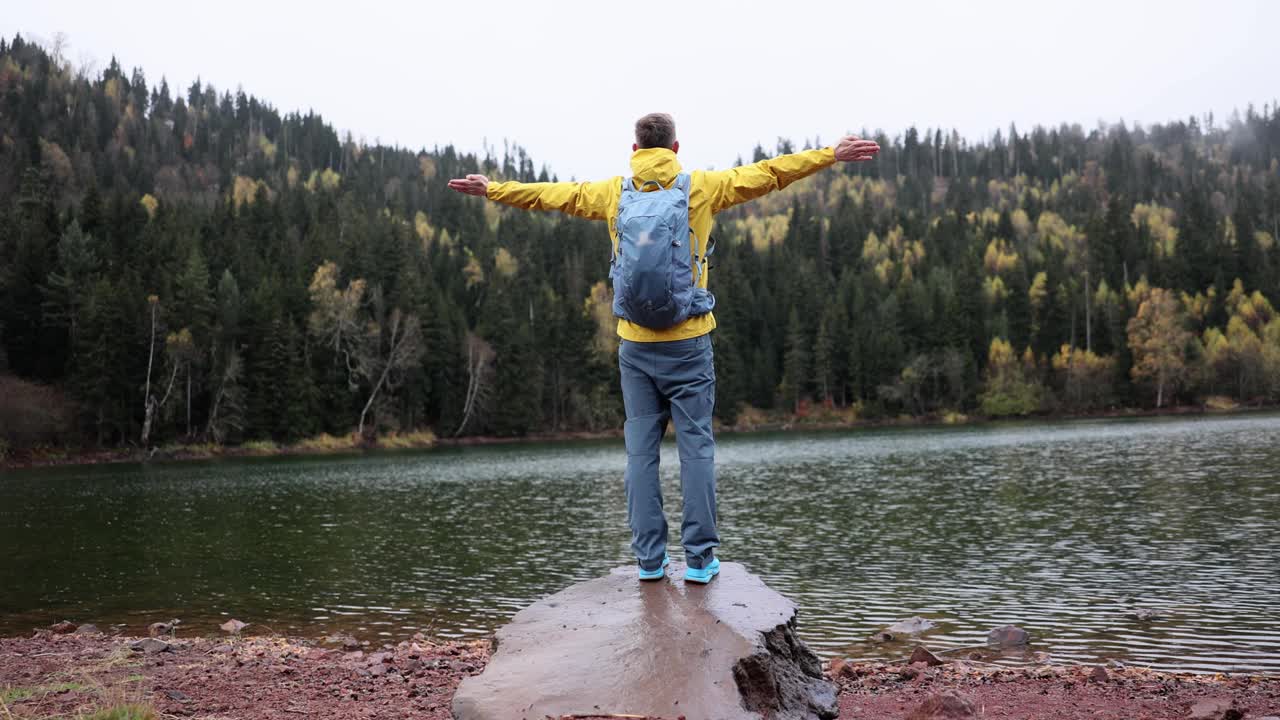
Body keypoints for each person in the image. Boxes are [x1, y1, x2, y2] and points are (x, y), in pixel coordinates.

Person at [448, 113, 879, 583]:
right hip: (690, 341)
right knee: (696, 448)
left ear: (635, 149)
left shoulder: (612, 193)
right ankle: (699, 561)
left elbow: (553, 195)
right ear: (675, 148)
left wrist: (494, 189)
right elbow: (772, 171)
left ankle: (650, 562)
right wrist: (830, 156)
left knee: (640, 453)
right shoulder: (703, 187)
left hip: (634, 346)